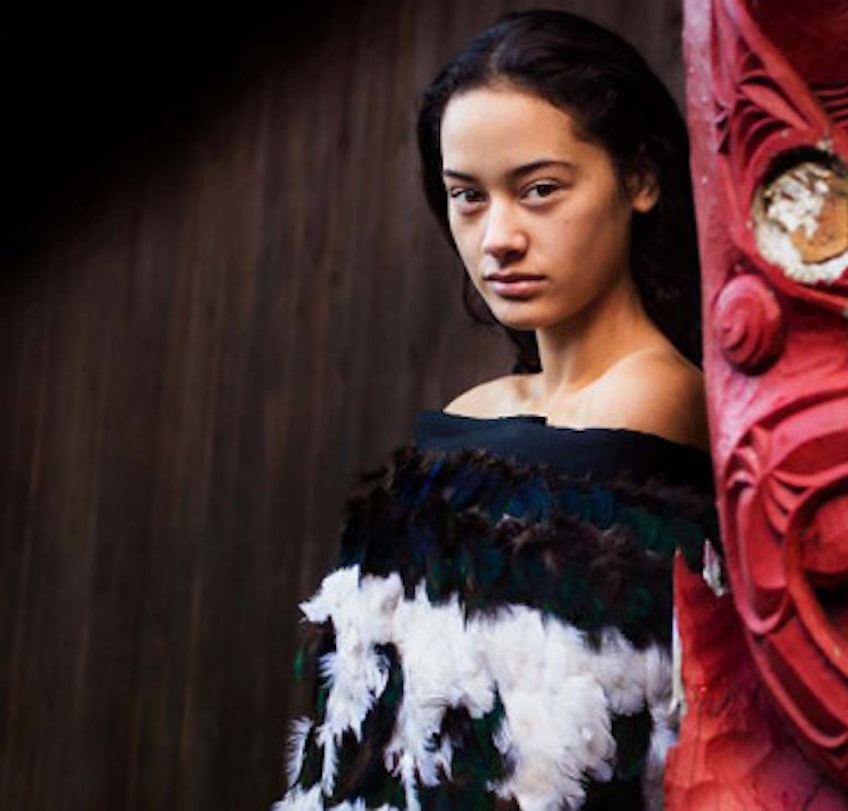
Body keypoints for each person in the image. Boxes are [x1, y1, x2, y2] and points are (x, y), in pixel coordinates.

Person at [274, 10, 714, 810]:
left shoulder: (652, 396)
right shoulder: (477, 409)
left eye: (539, 190)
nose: (497, 237)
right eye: (466, 197)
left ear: (641, 179)